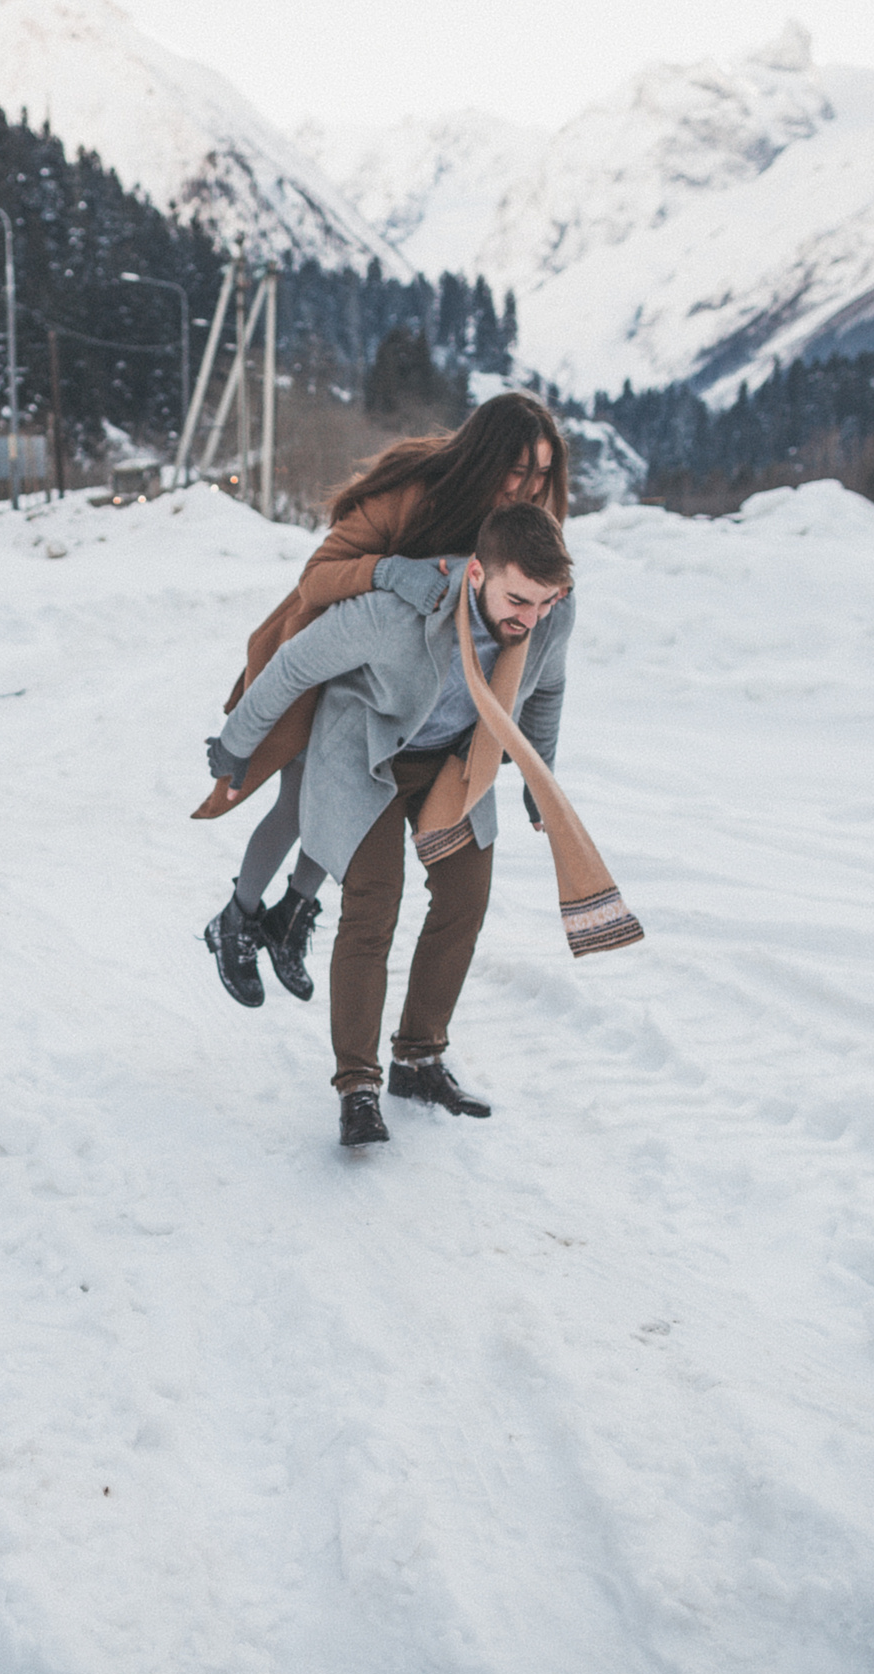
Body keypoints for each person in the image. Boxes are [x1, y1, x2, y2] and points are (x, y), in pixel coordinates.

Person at [203, 501, 575, 1147]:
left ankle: (418, 1059)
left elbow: (547, 689)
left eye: (546, 603)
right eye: (520, 599)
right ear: (479, 575)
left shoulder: (549, 617)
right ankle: (358, 1084)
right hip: (365, 754)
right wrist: (236, 745)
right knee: (374, 903)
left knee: (465, 896)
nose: (532, 618)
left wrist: (540, 783)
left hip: (451, 764)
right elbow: (296, 663)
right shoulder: (402, 611)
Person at [197, 391, 569, 1008]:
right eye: (517, 468)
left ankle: (290, 915)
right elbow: (316, 579)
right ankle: (235, 921)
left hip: (405, 696)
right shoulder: (418, 492)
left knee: (344, 806)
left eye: (542, 472)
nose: (529, 485)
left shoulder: (523, 524)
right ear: (484, 457)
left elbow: (540, 649)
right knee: (299, 802)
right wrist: (389, 571)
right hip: (332, 668)